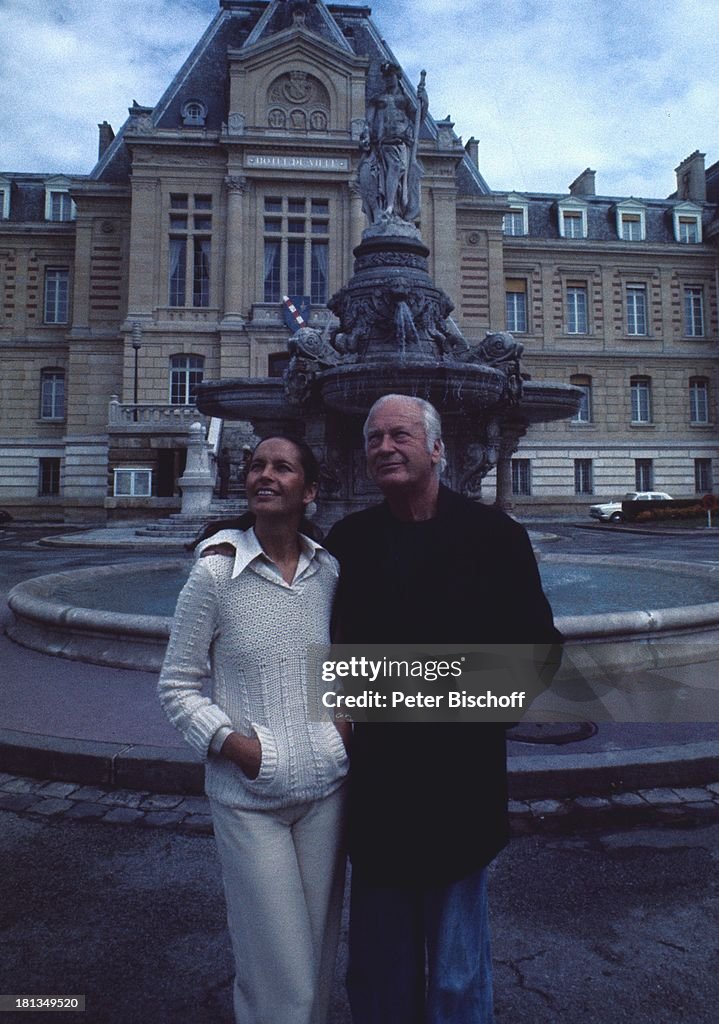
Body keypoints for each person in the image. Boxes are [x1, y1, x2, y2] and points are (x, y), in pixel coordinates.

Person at [323, 394, 562, 1024]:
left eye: (399, 435)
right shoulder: (350, 541)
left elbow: (540, 648)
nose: (383, 447)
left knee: (457, 974)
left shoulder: (494, 536)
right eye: (373, 438)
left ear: (437, 448)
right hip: (377, 782)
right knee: (378, 969)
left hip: (460, 777)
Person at [158, 436, 349, 1024]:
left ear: (309, 491)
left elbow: (332, 664)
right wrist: (238, 748)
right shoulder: (216, 572)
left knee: (317, 964)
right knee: (277, 971)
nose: (266, 475)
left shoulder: (328, 572)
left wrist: (343, 729)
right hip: (250, 800)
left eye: (283, 468)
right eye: (257, 466)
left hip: (326, 792)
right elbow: (177, 685)